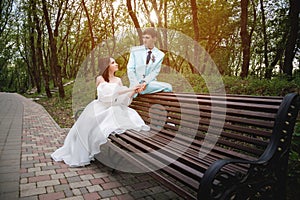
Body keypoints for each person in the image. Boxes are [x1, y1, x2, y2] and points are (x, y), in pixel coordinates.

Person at [51, 57, 150, 167]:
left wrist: (133, 91)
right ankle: (84, 150)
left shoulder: (118, 80)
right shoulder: (100, 79)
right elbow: (107, 95)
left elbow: (122, 99)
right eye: (113, 62)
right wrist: (130, 88)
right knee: (88, 125)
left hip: (114, 108)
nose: (116, 64)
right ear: (107, 66)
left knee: (115, 112)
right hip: (101, 107)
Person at [127, 27, 172, 97]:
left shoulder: (160, 55)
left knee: (169, 87)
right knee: (168, 87)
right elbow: (130, 70)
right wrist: (137, 85)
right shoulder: (135, 51)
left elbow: (155, 72)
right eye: (143, 38)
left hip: (148, 85)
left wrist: (145, 82)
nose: (144, 40)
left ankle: (158, 103)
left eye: (147, 38)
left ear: (154, 39)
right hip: (135, 85)